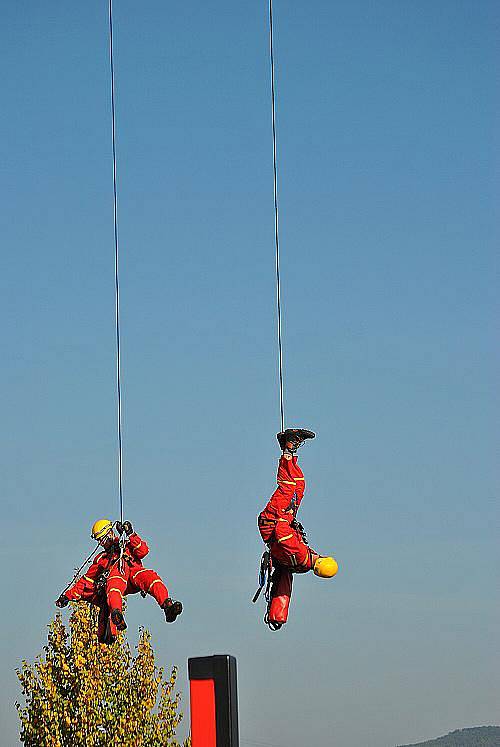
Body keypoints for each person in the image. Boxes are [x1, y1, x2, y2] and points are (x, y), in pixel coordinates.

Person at [257, 428, 338, 628]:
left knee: (288, 488)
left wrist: (286, 514)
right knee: (299, 487)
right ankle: (288, 451)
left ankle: (289, 448)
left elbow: (282, 534)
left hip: (273, 521)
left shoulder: (301, 555)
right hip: (278, 521)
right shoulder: (303, 563)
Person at [55, 519, 182, 644]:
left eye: (102, 539)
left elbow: (143, 551)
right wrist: (67, 596)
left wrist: (131, 534)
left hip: (134, 575)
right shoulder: (102, 559)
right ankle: (116, 614)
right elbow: (86, 580)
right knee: (114, 582)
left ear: (110, 533)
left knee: (150, 577)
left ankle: (167, 605)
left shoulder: (126, 545)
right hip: (118, 579)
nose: (101, 543)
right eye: (99, 540)